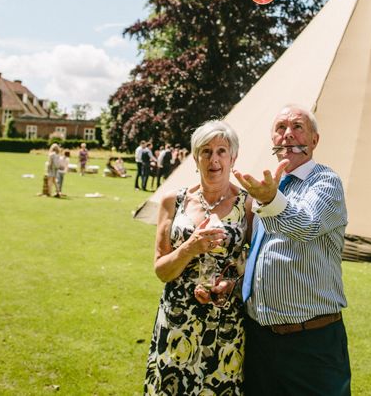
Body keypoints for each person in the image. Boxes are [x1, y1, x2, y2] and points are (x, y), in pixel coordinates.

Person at [234, 104, 351, 396]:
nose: (288, 135)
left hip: (310, 342)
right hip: (260, 338)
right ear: (273, 141)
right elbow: (259, 252)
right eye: (280, 128)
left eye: (298, 127)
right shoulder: (267, 188)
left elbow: (306, 225)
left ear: (314, 140)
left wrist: (271, 200)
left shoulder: (326, 182)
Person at [144, 119, 253, 395]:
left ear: (233, 158)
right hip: (177, 321)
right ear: (195, 158)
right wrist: (190, 247)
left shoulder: (248, 205)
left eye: (221, 151)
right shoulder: (173, 202)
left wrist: (231, 284)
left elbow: (254, 266)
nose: (213, 159)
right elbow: (161, 271)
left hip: (224, 325)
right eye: (205, 151)